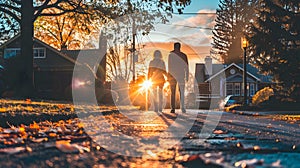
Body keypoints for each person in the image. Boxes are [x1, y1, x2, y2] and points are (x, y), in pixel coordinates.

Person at [168, 42, 189, 113]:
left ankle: (173, 108)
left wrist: (169, 76)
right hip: (181, 75)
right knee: (182, 92)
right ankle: (182, 107)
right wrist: (187, 76)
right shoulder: (184, 55)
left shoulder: (171, 55)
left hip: (173, 76)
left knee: (173, 92)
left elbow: (169, 67)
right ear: (180, 47)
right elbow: (186, 67)